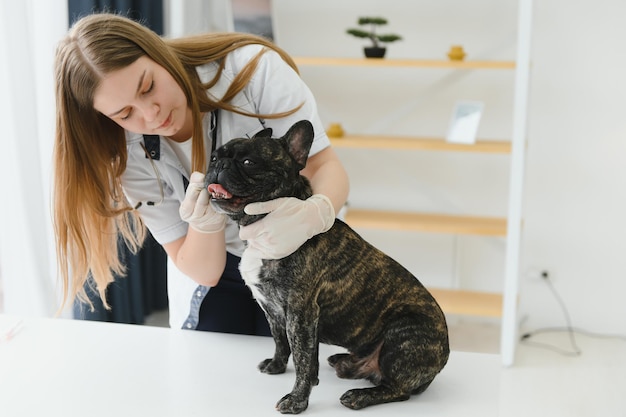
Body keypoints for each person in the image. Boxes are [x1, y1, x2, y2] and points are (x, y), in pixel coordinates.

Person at [53, 13, 349, 335]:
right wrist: (205, 224)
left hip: (297, 252)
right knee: (212, 365)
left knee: (298, 364)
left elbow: (323, 166)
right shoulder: (129, 153)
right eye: (125, 113)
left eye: (149, 87)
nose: (151, 115)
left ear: (158, 52)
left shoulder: (254, 70)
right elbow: (202, 270)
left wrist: (313, 214)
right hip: (221, 270)